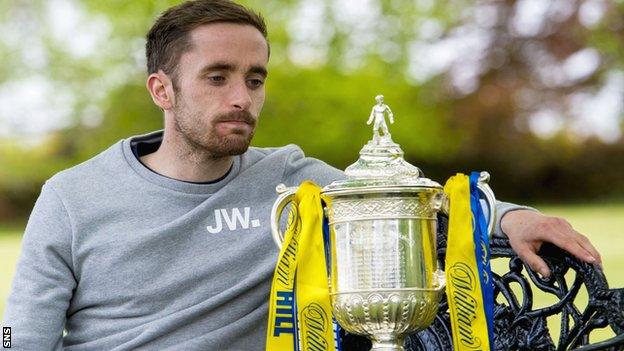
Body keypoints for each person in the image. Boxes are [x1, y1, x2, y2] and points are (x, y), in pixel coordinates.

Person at [2, 0, 602, 350]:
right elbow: (18, 340)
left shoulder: (292, 179)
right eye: (218, 77)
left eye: (255, 79)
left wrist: (515, 215)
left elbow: (408, 196)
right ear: (162, 88)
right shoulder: (71, 197)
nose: (242, 97)